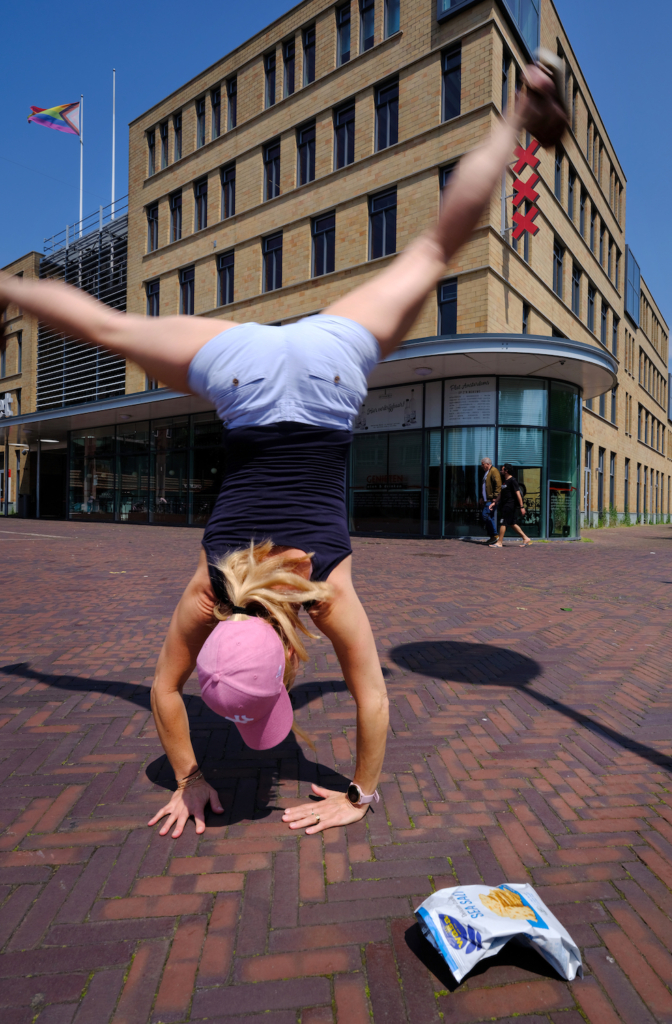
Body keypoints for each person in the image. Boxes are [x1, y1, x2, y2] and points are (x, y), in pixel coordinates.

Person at [0, 59, 567, 838]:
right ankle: (517, 116)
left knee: (435, 251)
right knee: (114, 326)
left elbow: (371, 694)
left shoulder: (325, 592)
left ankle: (514, 120)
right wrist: (199, 776)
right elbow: (164, 690)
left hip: (329, 376)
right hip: (250, 374)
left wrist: (354, 797)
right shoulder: (208, 588)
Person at [490, 464, 532, 547]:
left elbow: (518, 494)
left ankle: (499, 542)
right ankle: (525, 538)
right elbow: (501, 493)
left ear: (506, 471)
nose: (501, 471)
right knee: (512, 523)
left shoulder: (513, 481)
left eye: (502, 469)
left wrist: (521, 507)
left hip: (510, 505)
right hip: (505, 504)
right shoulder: (505, 481)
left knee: (503, 522)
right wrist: (494, 502)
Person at [480, 457, 502, 545]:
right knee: (490, 517)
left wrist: (495, 497)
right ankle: (492, 537)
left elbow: (498, 484)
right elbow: (485, 486)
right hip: (486, 499)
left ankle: (495, 535)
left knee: (485, 515)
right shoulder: (487, 472)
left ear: (487, 464)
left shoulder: (494, 471)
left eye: (483, 464)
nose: (482, 466)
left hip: (491, 499)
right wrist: (482, 497)